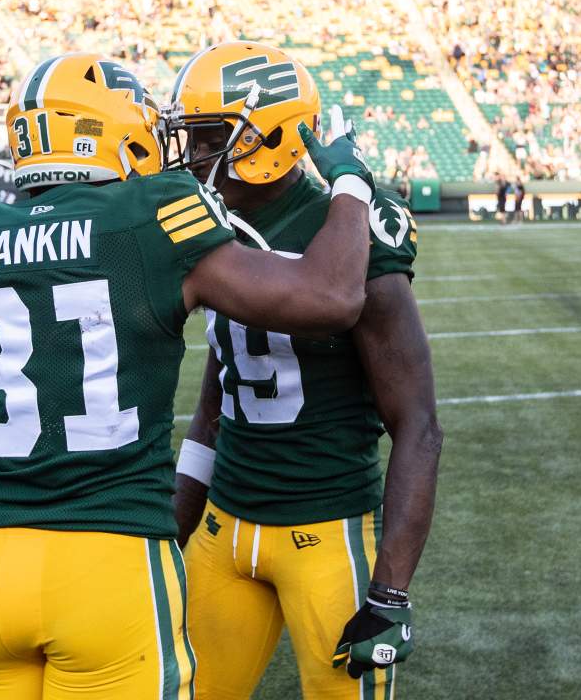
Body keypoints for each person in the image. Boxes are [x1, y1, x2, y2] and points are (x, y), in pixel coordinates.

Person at [0, 53, 377, 700]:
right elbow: (332, 298)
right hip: (109, 562)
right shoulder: (149, 217)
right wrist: (350, 183)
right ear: (109, 130)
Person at [167, 40, 442, 700]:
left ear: (268, 142)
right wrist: (168, 535)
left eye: (209, 139)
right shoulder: (212, 224)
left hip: (327, 533)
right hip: (223, 527)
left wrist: (391, 590)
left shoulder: (349, 233)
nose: (194, 156)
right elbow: (216, 401)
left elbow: (419, 425)